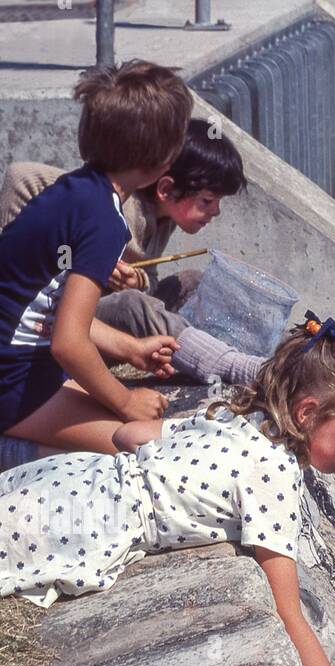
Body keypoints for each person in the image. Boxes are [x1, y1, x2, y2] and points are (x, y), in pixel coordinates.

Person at [0, 314, 335, 666]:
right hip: (86, 523)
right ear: (307, 413)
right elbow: (288, 614)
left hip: (72, 480)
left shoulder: (241, 421)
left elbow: (128, 435)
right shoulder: (273, 476)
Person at [0, 60, 192, 457]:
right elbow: (68, 344)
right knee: (149, 447)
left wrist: (130, 350)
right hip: (12, 384)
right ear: (164, 160)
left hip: (17, 364)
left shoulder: (72, 191)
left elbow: (49, 314)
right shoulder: (104, 222)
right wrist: (125, 401)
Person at [0, 119, 262, 387]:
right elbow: (21, 175)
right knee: (132, 306)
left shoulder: (163, 219)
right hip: (63, 323)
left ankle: (254, 350)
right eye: (207, 201)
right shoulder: (116, 210)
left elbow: (146, 277)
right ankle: (241, 369)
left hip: (96, 317)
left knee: (192, 281)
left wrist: (138, 280)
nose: (216, 211)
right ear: (166, 189)